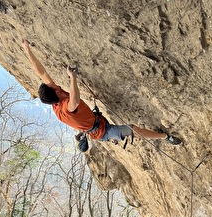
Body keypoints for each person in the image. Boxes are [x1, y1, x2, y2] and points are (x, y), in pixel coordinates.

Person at [21, 39, 181, 150]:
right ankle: (164, 137)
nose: (55, 84)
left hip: (96, 122)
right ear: (55, 92)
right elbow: (74, 102)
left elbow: (41, 72)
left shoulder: (54, 97)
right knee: (133, 129)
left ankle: (161, 136)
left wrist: (27, 50)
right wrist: (73, 77)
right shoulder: (63, 108)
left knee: (124, 128)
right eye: (54, 87)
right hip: (101, 132)